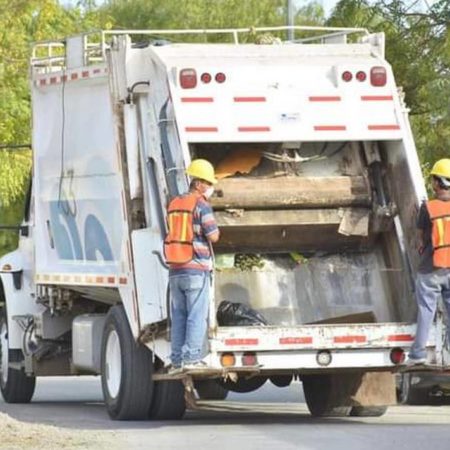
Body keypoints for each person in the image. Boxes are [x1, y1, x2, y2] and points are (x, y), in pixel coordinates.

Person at [164, 159, 220, 373]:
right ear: (197, 183)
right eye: (206, 182)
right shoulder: (201, 205)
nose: (209, 187)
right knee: (196, 314)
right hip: (196, 268)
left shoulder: (174, 203)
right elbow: (213, 236)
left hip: (176, 267)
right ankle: (192, 358)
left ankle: (177, 360)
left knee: (179, 315)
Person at [406, 158, 450, 365]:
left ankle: (418, 354)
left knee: (426, 310)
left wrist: (420, 246)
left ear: (438, 183)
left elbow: (420, 240)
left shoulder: (429, 208)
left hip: (431, 269)